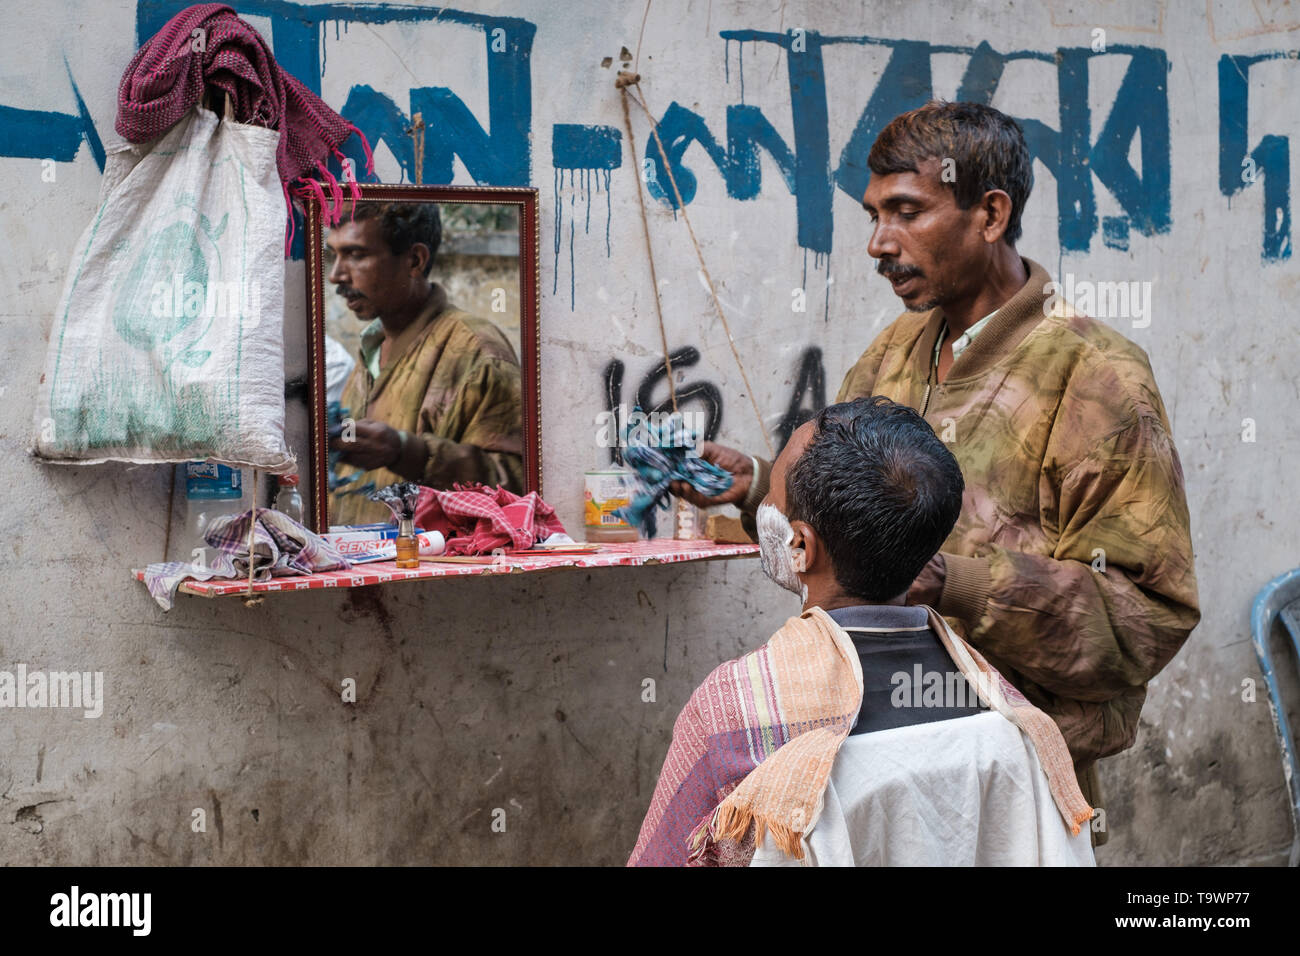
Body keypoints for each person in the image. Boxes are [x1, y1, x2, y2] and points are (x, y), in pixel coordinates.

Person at [671, 101, 1200, 845]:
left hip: (1013, 782)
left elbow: (1148, 617)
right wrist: (759, 484)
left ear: (989, 214)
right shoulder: (896, 350)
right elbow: (852, 492)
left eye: (906, 212)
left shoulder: (1096, 377)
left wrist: (956, 583)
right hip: (867, 760)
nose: (878, 244)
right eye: (873, 215)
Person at [629, 397, 1095, 866]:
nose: (763, 506)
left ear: (801, 547)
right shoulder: (1007, 711)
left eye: (770, 498)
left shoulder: (732, 715)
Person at [326, 202, 525, 526]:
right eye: (334, 254)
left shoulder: (476, 350)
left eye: (356, 254)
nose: (336, 275)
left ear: (415, 260)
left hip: (433, 571)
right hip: (363, 566)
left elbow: (517, 489)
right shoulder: (370, 347)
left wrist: (407, 452)